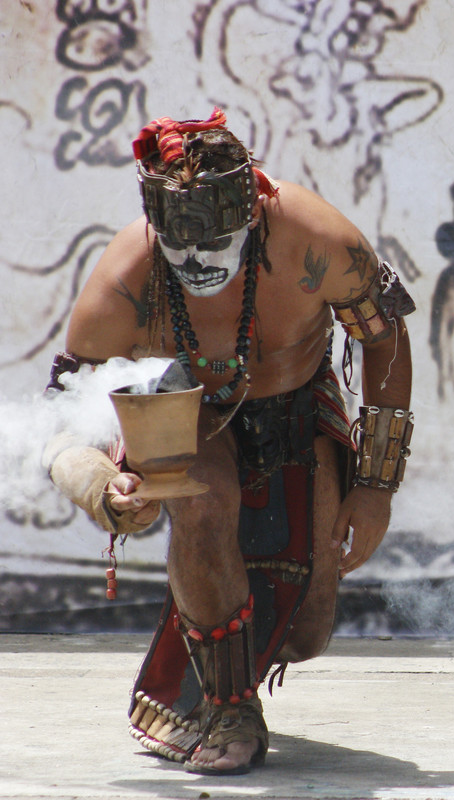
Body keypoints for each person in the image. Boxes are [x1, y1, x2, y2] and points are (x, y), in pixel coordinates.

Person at [43, 108, 415, 775]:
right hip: (183, 416)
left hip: (298, 408)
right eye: (179, 246)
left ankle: (207, 601)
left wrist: (376, 486)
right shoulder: (127, 275)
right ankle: (229, 703)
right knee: (206, 503)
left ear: (251, 212)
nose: (196, 260)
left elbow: (384, 336)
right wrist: (101, 484)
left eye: (214, 241)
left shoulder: (314, 238)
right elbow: (65, 412)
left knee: (306, 631)